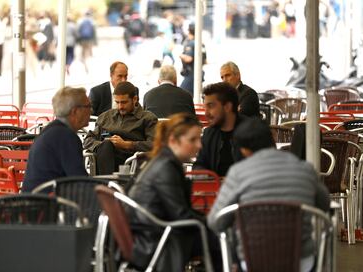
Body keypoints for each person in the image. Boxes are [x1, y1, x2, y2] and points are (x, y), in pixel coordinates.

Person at [207, 118, 330, 272]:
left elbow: (215, 221)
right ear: (271, 139)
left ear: (243, 150)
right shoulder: (305, 168)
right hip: (300, 263)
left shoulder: (238, 172)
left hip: (251, 263)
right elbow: (324, 204)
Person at [127, 113, 218, 271]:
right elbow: (180, 215)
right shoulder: (166, 168)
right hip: (158, 239)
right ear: (173, 141)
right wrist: (213, 222)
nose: (199, 145)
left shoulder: (162, 162)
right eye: (192, 140)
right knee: (222, 239)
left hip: (148, 235)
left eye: (199, 139)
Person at [22, 87, 91, 192]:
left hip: (32, 200)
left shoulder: (50, 131)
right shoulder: (66, 137)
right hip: (46, 205)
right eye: (88, 106)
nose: (92, 110)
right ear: (75, 111)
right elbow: (80, 181)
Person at [84, 81, 157, 175]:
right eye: (117, 102)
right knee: (106, 145)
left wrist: (128, 144)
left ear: (134, 99)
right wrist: (103, 144)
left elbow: (155, 145)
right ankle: (106, 182)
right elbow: (88, 139)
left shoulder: (147, 118)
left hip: (131, 160)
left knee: (106, 146)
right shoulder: (105, 117)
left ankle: (106, 183)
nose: (120, 107)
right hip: (105, 156)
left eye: (124, 102)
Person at [193, 82, 247, 177]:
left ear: (227, 107)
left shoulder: (253, 132)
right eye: (205, 107)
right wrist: (203, 176)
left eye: (210, 106)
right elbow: (199, 164)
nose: (206, 113)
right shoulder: (209, 133)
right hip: (216, 189)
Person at [179, 23, 206, 97]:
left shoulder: (191, 43)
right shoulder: (201, 43)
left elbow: (189, 59)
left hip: (191, 74)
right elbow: (205, 61)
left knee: (181, 94)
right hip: (199, 73)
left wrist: (180, 55)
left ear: (189, 31)